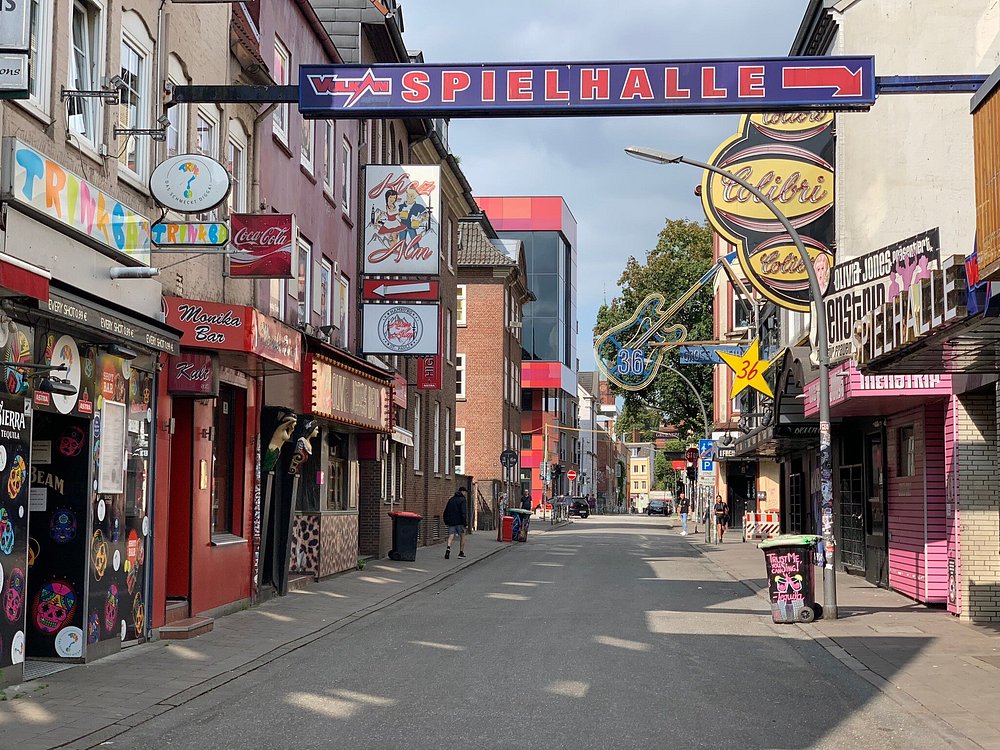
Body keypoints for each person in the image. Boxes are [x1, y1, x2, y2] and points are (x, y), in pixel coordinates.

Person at [443, 486, 468, 559]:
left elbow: (446, 511)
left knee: (451, 535)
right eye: (465, 492)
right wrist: (465, 523)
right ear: (463, 492)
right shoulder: (463, 500)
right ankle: (461, 552)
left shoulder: (451, 499)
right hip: (460, 522)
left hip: (451, 522)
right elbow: (463, 513)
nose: (465, 494)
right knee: (462, 536)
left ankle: (448, 549)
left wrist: (446, 521)